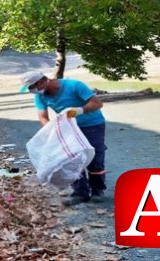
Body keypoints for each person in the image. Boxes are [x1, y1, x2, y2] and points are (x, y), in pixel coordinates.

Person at [20, 70, 107, 206]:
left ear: (41, 82)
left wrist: (79, 110)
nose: (32, 91)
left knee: (95, 159)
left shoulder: (74, 86)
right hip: (69, 129)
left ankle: (97, 190)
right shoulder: (40, 97)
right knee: (72, 159)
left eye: (32, 87)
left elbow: (97, 103)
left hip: (92, 125)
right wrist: (53, 131)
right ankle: (80, 193)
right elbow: (43, 118)